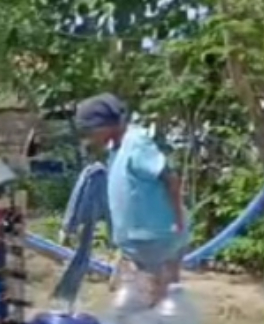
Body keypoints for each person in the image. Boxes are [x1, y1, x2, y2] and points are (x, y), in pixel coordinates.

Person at [75, 93, 187, 302]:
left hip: (158, 239)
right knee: (139, 303)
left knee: (159, 299)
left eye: (90, 131)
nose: (89, 138)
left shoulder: (136, 143)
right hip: (135, 245)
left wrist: (177, 218)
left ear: (106, 124)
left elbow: (170, 178)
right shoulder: (115, 149)